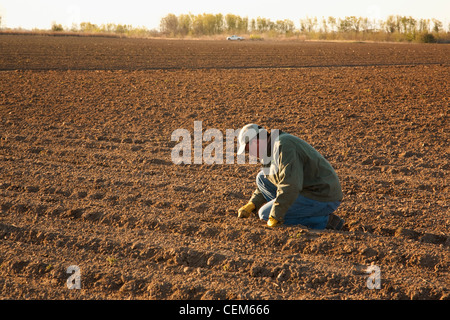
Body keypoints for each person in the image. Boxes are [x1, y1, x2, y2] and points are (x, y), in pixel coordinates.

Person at [236, 123, 344, 230]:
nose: (250, 154)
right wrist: (253, 203)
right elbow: (271, 179)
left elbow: (290, 184)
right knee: (262, 178)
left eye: (248, 149)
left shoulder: (283, 145)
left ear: (255, 142)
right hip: (307, 187)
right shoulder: (270, 150)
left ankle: (323, 221)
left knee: (264, 214)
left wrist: (276, 214)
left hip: (322, 195)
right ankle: (295, 213)